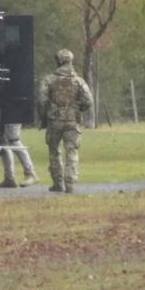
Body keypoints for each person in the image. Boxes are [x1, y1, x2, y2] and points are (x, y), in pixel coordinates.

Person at [37, 49, 92, 193]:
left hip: (54, 121)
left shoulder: (48, 80)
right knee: (72, 151)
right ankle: (70, 183)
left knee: (54, 151)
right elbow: (88, 101)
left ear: (58, 61)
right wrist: (77, 109)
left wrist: (44, 118)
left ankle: (58, 183)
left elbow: (41, 101)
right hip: (72, 121)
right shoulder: (79, 81)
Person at [0, 120, 38, 188]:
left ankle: (31, 173)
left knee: (13, 140)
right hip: (6, 114)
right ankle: (9, 178)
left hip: (14, 115)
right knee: (4, 142)